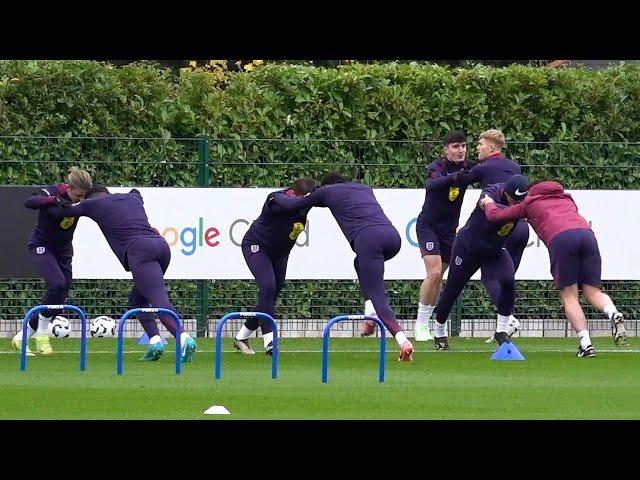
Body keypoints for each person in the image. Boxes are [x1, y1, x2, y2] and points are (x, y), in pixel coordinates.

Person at [270, 173, 414, 361]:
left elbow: (295, 204)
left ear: (326, 185)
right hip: (392, 238)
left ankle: (403, 340)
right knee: (359, 264)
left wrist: (277, 196)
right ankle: (369, 311)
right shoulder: (364, 188)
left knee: (379, 295)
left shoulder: (327, 191)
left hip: (369, 240)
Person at [480, 178, 627, 358]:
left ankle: (586, 344)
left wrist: (488, 203)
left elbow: (496, 216)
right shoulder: (566, 198)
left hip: (561, 239)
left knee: (569, 295)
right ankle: (613, 312)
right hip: (587, 234)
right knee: (592, 292)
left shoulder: (529, 202)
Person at [58, 185, 197, 363]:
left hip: (140, 252)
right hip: (161, 247)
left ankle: (184, 338)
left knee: (159, 301)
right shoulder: (132, 198)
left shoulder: (93, 204)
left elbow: (61, 211)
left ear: (90, 198)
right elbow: (136, 191)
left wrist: (53, 195)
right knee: (137, 301)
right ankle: (155, 343)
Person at [432, 175, 530, 351]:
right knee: (452, 290)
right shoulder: (492, 191)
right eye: (514, 200)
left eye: (520, 201)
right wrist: (491, 205)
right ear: (506, 193)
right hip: (468, 249)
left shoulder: (524, 201)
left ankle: (501, 331)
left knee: (508, 280)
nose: (517, 204)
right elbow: (486, 205)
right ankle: (439, 331)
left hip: (495, 250)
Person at [455, 129, 530, 341]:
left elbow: (461, 182)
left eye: (479, 144)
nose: (476, 147)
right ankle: (503, 326)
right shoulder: (515, 167)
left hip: (501, 229)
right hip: (521, 228)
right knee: (506, 280)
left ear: (491, 147)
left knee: (489, 277)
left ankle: (509, 321)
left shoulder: (484, 167)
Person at [12, 167, 93, 357]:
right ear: (70, 188)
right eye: (78, 195)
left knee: (60, 295)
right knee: (56, 283)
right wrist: (52, 200)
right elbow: (29, 201)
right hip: (42, 245)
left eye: (84, 196)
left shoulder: (83, 201)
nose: (81, 199)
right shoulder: (53, 192)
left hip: (63, 250)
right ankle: (41, 334)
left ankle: (20, 338)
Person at [233, 177, 318, 355]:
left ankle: (241, 337)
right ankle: (270, 341)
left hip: (280, 254)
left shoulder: (307, 201)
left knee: (271, 294)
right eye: (304, 199)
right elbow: (287, 205)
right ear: (294, 193)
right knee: (268, 286)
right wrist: (307, 199)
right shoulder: (277, 198)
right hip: (256, 246)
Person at [414, 131, 475, 341]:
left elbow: (489, 172)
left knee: (439, 277)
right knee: (434, 272)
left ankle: (429, 321)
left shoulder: (470, 166)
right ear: (446, 149)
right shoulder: (436, 167)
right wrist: (456, 177)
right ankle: (420, 325)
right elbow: (432, 184)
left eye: (464, 146)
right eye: (456, 146)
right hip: (428, 226)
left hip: (450, 230)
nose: (461, 151)